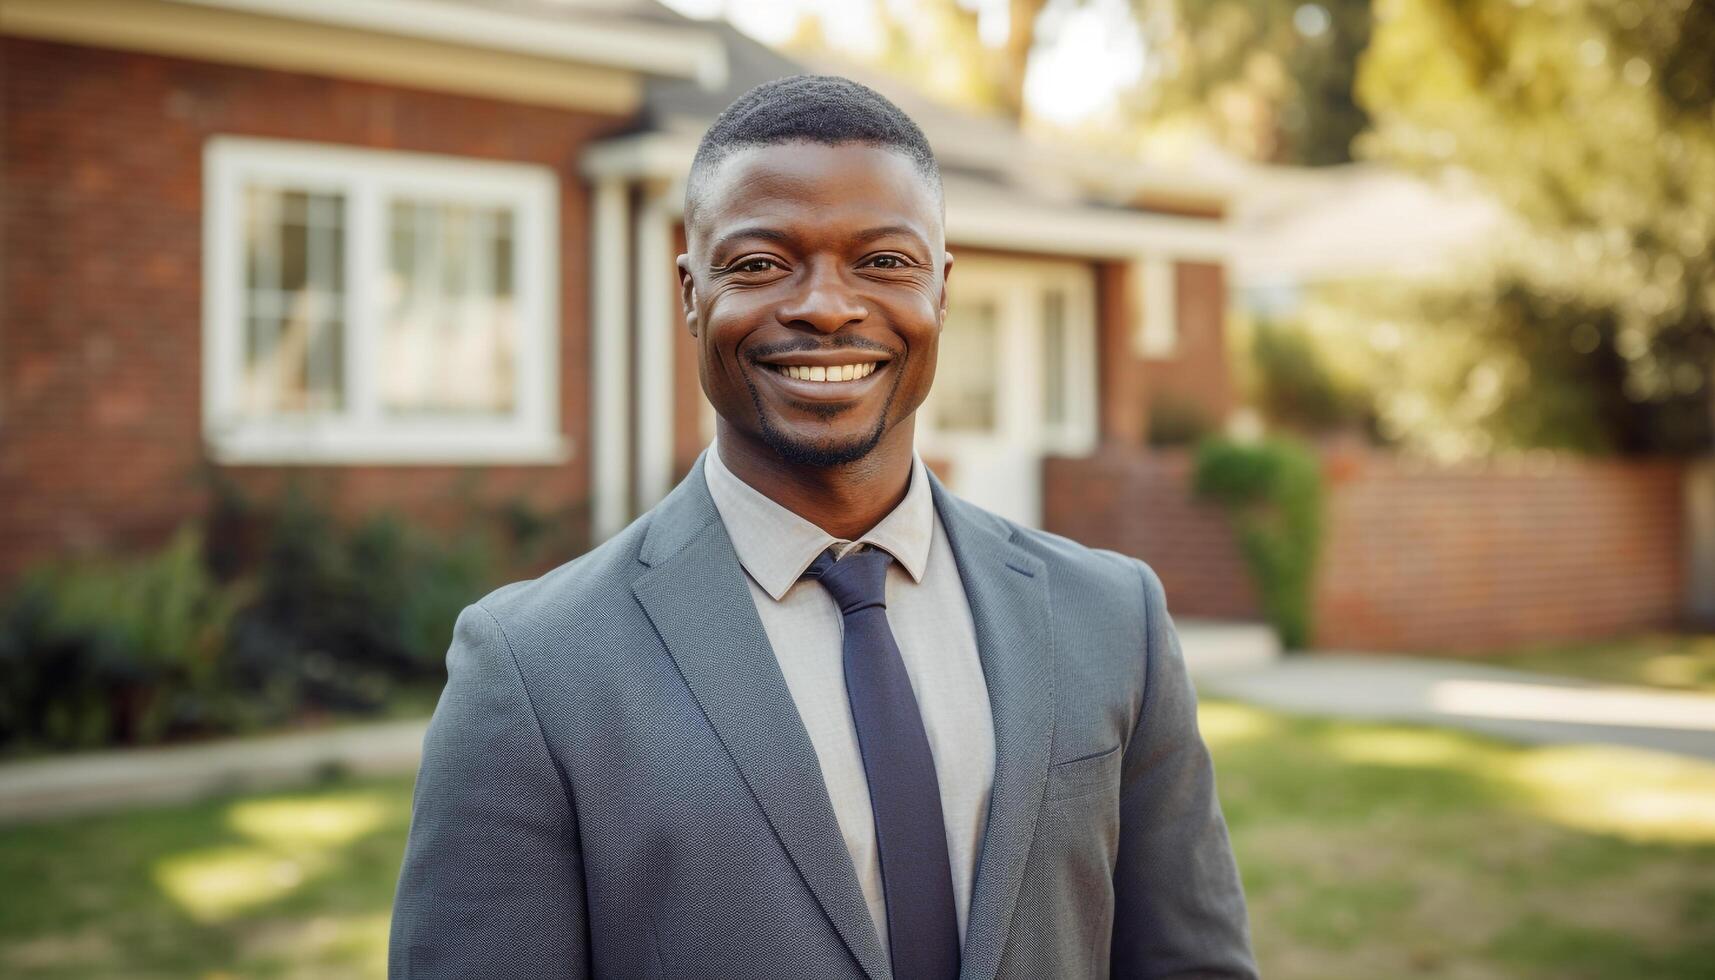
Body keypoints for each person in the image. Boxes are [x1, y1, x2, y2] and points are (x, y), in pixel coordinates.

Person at [389, 74, 1255, 980]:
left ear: (942, 290)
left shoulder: (1112, 618)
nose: (827, 306)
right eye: (761, 263)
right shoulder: (532, 671)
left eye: (883, 261)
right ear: (690, 294)